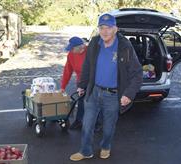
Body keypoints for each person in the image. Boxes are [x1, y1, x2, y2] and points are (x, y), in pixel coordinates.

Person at [70, 13, 143, 161]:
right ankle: (85, 151)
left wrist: (128, 94)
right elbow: (87, 66)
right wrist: (82, 85)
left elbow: (137, 73)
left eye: (108, 27)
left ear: (115, 29)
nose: (105, 31)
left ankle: (105, 146)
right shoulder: (95, 43)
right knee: (87, 124)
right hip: (94, 91)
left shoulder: (125, 46)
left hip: (113, 95)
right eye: (101, 27)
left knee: (108, 127)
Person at [60, 36, 86, 129]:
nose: (70, 50)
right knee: (81, 101)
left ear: (80, 48)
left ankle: (97, 124)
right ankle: (79, 121)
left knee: (93, 103)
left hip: (92, 81)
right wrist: (63, 86)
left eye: (72, 48)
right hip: (80, 82)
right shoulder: (71, 55)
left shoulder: (90, 52)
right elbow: (67, 71)